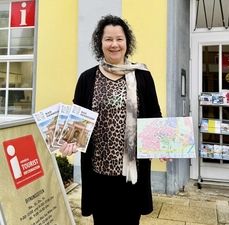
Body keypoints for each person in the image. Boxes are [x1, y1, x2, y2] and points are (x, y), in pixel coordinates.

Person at [59, 14, 170, 225]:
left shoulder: (142, 75)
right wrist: (70, 141)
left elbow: (154, 114)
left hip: (132, 172)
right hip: (98, 172)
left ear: (127, 43)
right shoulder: (87, 78)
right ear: (99, 43)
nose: (114, 44)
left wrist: (161, 145)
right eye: (108, 39)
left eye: (119, 39)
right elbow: (78, 119)